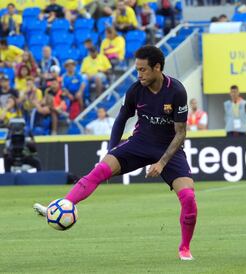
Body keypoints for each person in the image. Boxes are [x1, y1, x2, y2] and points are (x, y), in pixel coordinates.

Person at [33, 46, 197, 261]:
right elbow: (121, 120)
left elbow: (180, 133)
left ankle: (184, 248)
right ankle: (61, 207)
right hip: (140, 142)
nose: (139, 75)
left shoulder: (176, 90)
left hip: (168, 149)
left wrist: (162, 163)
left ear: (157, 68)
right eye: (137, 70)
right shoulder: (135, 90)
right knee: (99, 170)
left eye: (143, 70)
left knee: (188, 198)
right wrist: (111, 152)